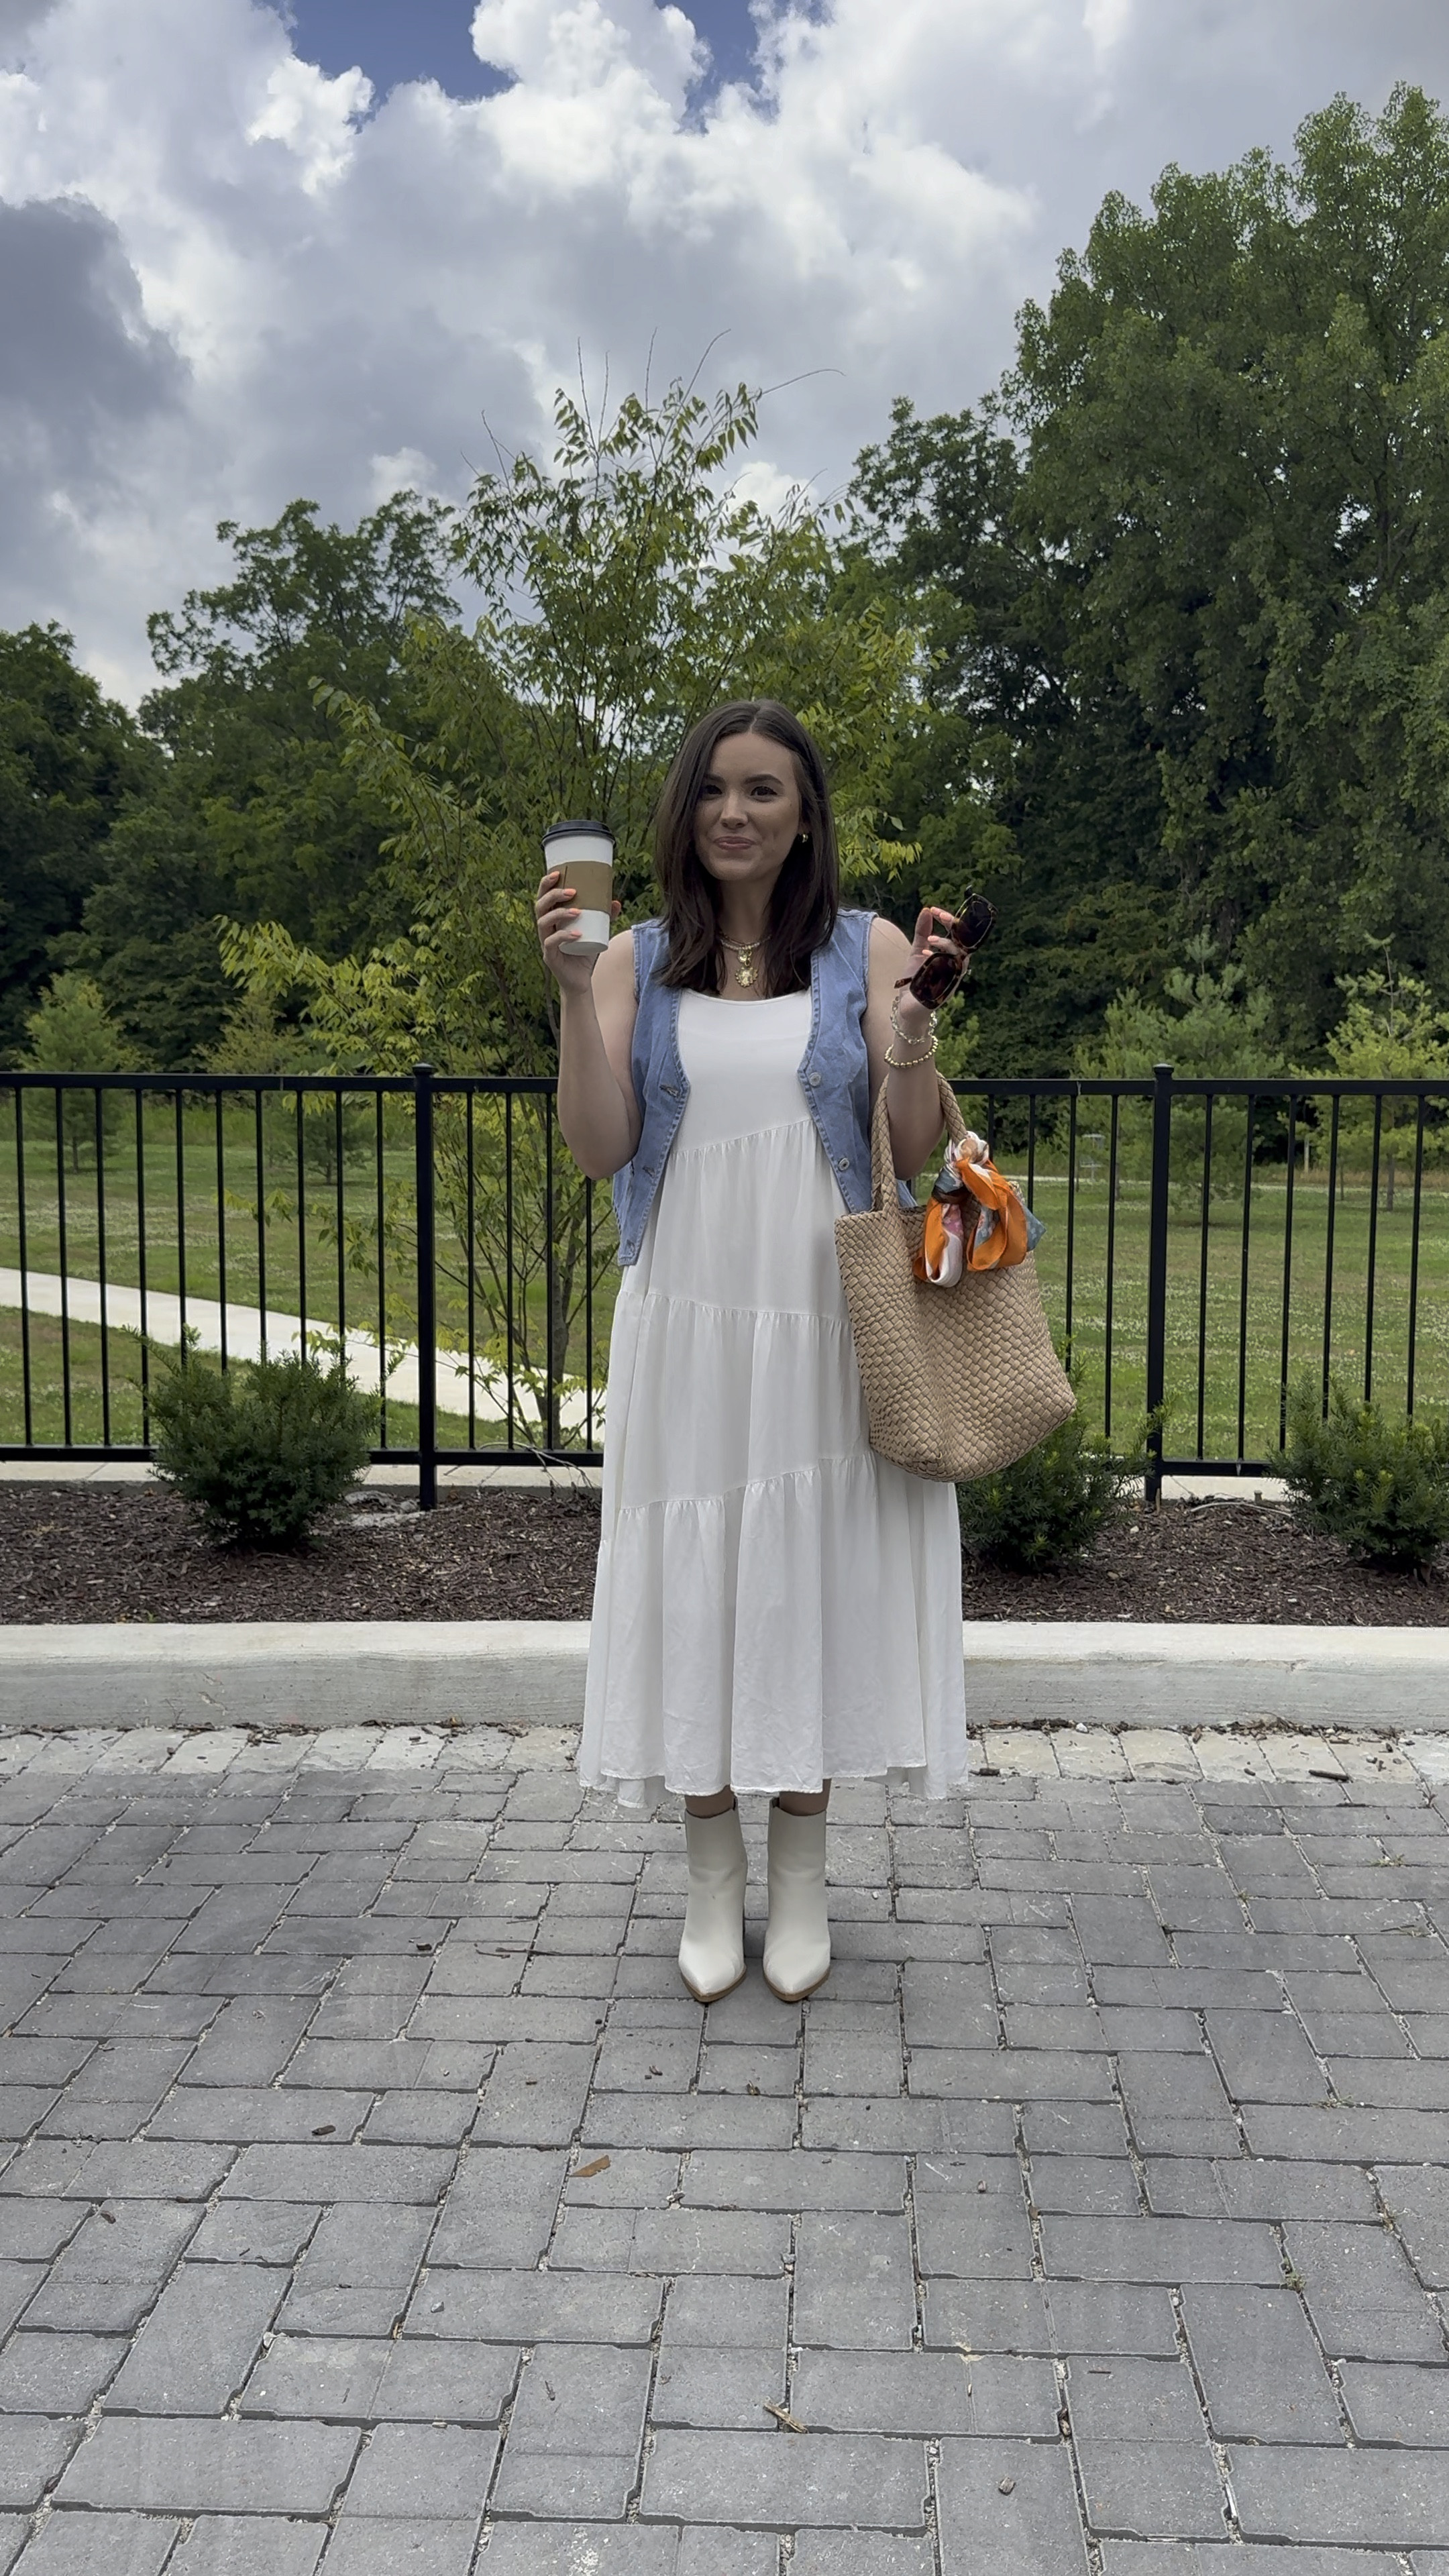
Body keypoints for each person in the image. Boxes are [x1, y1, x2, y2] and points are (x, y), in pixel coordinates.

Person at [535, 700, 969, 2006]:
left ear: (805, 815)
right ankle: (710, 1884)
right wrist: (572, 996)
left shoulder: (863, 947)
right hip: (687, 1316)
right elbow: (601, 1147)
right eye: (716, 788)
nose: (737, 811)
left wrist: (913, 1032)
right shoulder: (637, 960)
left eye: (765, 789)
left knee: (807, 1579)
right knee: (698, 1589)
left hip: (825, 1311)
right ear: (686, 809)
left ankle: (804, 1884)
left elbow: (911, 1147)